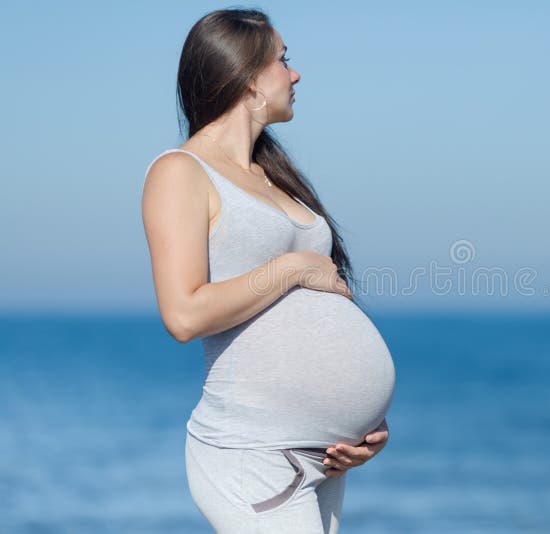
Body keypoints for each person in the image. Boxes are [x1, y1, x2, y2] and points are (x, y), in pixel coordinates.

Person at [140, 8, 395, 533]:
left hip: (322, 457)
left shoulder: (273, 177)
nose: (295, 75)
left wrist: (365, 423)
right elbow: (183, 314)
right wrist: (294, 268)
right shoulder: (179, 172)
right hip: (252, 456)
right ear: (248, 76)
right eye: (284, 60)